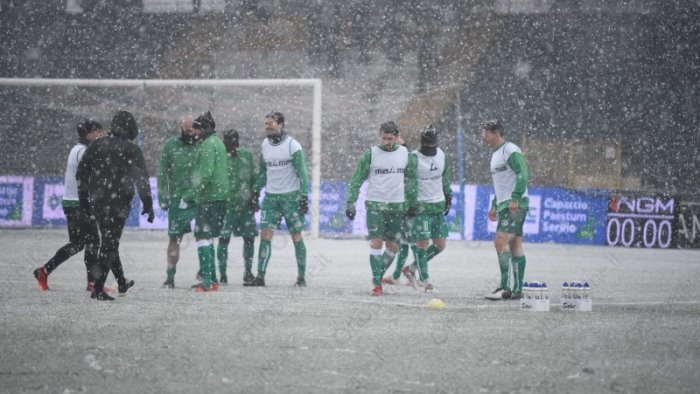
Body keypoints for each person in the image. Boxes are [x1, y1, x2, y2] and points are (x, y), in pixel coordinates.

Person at [77, 110, 155, 301]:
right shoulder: (132, 150)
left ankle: (118, 282)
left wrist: (84, 199)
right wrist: (148, 204)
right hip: (119, 204)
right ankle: (98, 288)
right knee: (110, 244)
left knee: (108, 242)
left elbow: (81, 174)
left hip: (98, 201)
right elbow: (142, 179)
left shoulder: (96, 145)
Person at [346, 121, 417, 296]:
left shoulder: (405, 154)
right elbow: (356, 179)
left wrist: (412, 203)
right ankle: (377, 283)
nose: (386, 141)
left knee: (393, 247)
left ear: (396, 136)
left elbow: (411, 181)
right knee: (376, 243)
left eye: (390, 138)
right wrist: (351, 202)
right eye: (383, 138)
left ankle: (376, 275)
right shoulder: (371, 154)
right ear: (380, 135)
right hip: (375, 205)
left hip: (396, 207)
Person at [33, 120, 103, 292]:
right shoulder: (84, 151)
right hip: (78, 203)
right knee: (89, 242)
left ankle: (90, 283)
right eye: (98, 131)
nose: (101, 134)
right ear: (89, 134)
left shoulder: (77, 148)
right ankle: (46, 271)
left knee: (82, 243)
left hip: (74, 203)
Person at [383, 125, 452, 293]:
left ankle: (411, 269)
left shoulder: (442, 155)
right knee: (421, 243)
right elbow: (409, 181)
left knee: (440, 245)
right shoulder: (414, 157)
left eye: (432, 145)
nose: (429, 148)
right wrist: (411, 204)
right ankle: (425, 280)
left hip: (437, 206)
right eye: (426, 145)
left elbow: (445, 176)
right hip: (420, 207)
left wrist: (448, 195)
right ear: (422, 142)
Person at [248, 111, 310, 287]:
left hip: (291, 198)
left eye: (271, 123)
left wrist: (304, 195)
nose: (268, 126)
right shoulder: (264, 145)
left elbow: (302, 173)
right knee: (265, 235)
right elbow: (263, 173)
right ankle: (260, 277)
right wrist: (255, 192)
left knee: (296, 236)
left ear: (281, 124)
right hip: (271, 199)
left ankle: (301, 277)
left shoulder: (293, 145)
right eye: (266, 124)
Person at [180, 111, 230, 292]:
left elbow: (206, 174)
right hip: (220, 197)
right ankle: (213, 279)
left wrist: (189, 195)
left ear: (206, 128)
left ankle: (207, 281)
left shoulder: (208, 145)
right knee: (209, 238)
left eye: (199, 128)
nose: (196, 131)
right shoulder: (218, 143)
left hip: (209, 198)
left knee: (202, 236)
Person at [481, 119, 529, 300]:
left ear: (497, 133)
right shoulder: (494, 155)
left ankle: (504, 287)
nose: (483, 137)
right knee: (515, 244)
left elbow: (522, 173)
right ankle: (517, 290)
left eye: (486, 134)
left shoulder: (510, 149)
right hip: (505, 204)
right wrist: (495, 204)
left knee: (500, 242)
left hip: (514, 203)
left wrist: (516, 197)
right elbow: (502, 184)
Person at [156, 116, 202, 289]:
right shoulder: (171, 146)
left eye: (192, 130)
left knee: (203, 237)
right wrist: (163, 197)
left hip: (199, 199)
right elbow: (162, 172)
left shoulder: (204, 145)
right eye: (186, 130)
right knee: (175, 238)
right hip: (178, 200)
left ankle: (203, 274)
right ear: (181, 129)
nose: (189, 133)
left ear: (198, 129)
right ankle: (170, 276)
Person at [218, 129, 258, 286]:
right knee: (223, 239)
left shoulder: (246, 155)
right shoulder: (219, 157)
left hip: (245, 206)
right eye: (229, 140)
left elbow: (254, 177)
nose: (233, 143)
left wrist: (254, 195)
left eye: (235, 140)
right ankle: (222, 274)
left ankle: (248, 273)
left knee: (249, 239)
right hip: (226, 207)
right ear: (224, 141)